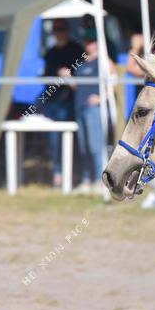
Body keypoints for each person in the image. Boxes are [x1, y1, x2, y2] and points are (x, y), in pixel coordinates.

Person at [43, 20, 84, 188]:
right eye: (56, 30)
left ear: (67, 31)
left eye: (61, 29)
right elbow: (46, 76)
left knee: (73, 141)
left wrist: (69, 76)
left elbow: (82, 74)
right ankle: (58, 174)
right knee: (54, 142)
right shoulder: (51, 52)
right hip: (53, 102)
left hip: (70, 103)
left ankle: (74, 174)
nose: (58, 33)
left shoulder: (76, 50)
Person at [69, 39, 105, 194]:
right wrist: (67, 78)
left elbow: (113, 81)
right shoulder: (82, 62)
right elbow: (78, 86)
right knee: (84, 147)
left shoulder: (103, 61)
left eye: (91, 41)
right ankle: (86, 180)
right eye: (87, 42)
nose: (88, 45)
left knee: (95, 145)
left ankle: (99, 180)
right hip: (80, 107)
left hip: (93, 109)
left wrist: (101, 98)